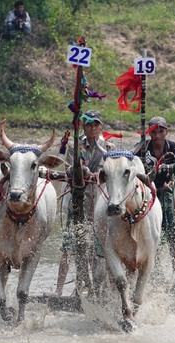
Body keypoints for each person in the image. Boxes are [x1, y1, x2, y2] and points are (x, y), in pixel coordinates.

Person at [48, 110, 115, 297]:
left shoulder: (108, 147)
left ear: (100, 126)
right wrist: (80, 171)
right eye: (89, 125)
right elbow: (68, 169)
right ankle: (59, 290)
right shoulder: (75, 146)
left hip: (100, 202)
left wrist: (97, 175)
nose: (93, 128)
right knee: (68, 247)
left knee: (99, 248)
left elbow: (112, 172)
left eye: (96, 125)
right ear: (84, 126)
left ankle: (102, 290)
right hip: (78, 200)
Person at [138, 116, 175, 276]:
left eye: (161, 131)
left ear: (166, 132)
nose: (157, 136)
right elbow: (132, 165)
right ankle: (152, 268)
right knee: (150, 232)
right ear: (149, 133)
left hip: (168, 193)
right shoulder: (142, 148)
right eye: (154, 132)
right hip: (149, 193)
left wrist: (171, 181)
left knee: (172, 231)